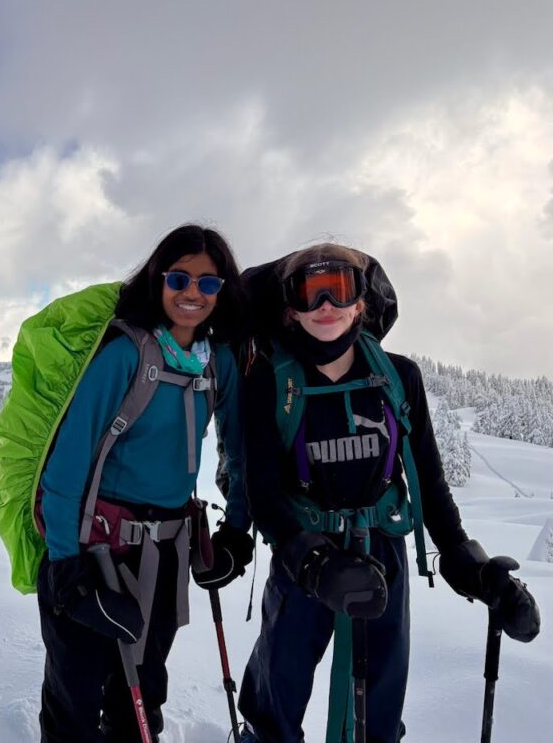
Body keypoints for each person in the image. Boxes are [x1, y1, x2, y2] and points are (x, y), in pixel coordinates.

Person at [236, 243, 541, 743]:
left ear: (362, 303)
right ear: (290, 309)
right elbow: (264, 492)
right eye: (310, 293)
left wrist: (475, 570)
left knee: (378, 704)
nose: (326, 306)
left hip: (382, 550)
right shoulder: (269, 382)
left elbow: (430, 483)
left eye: (340, 290)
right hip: (304, 552)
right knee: (278, 690)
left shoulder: (399, 377)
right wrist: (311, 563)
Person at [36, 224, 253, 743]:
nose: (192, 294)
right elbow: (66, 464)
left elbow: (240, 450)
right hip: (93, 552)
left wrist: (238, 528)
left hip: (165, 554)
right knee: (75, 702)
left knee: (140, 701)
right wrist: (66, 564)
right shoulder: (126, 355)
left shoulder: (218, 362)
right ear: (158, 279)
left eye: (208, 284)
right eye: (179, 278)